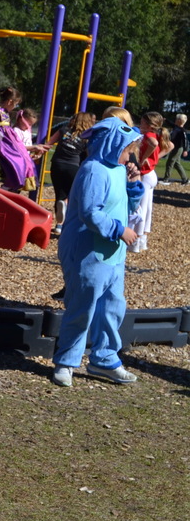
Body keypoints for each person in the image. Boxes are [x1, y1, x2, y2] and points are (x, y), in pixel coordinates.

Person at [51, 117, 141, 387]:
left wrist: (133, 186)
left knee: (112, 308)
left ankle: (105, 359)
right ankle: (66, 361)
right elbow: (91, 213)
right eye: (127, 149)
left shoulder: (116, 169)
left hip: (112, 255)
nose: (130, 155)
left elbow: (125, 205)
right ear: (112, 144)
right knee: (82, 306)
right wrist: (120, 230)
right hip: (87, 253)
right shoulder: (94, 170)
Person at [45, 111, 95, 234]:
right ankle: (64, 212)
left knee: (59, 192)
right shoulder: (86, 137)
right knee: (71, 194)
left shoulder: (63, 130)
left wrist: (37, 154)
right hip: (73, 167)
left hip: (57, 165)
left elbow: (48, 144)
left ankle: (58, 225)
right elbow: (89, 156)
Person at [129, 111, 170, 253]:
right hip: (151, 174)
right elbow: (169, 145)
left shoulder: (148, 135)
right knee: (147, 208)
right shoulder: (157, 134)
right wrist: (155, 158)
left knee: (141, 207)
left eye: (142, 122)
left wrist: (143, 158)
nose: (140, 124)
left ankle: (136, 242)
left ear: (148, 124)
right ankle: (143, 239)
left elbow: (153, 144)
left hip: (145, 174)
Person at [0, 87, 36, 192]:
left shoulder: (5, 111)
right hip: (3, 142)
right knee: (16, 160)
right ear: (10, 101)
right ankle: (8, 185)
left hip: (10, 140)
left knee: (25, 158)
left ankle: (15, 183)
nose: (15, 107)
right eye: (16, 104)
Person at [160, 113, 188, 184]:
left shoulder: (182, 131)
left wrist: (185, 150)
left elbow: (185, 141)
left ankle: (166, 179)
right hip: (174, 147)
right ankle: (185, 179)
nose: (175, 120)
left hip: (178, 148)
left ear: (179, 120)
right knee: (176, 163)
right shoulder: (176, 127)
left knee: (170, 162)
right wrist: (165, 120)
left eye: (176, 119)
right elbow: (170, 123)